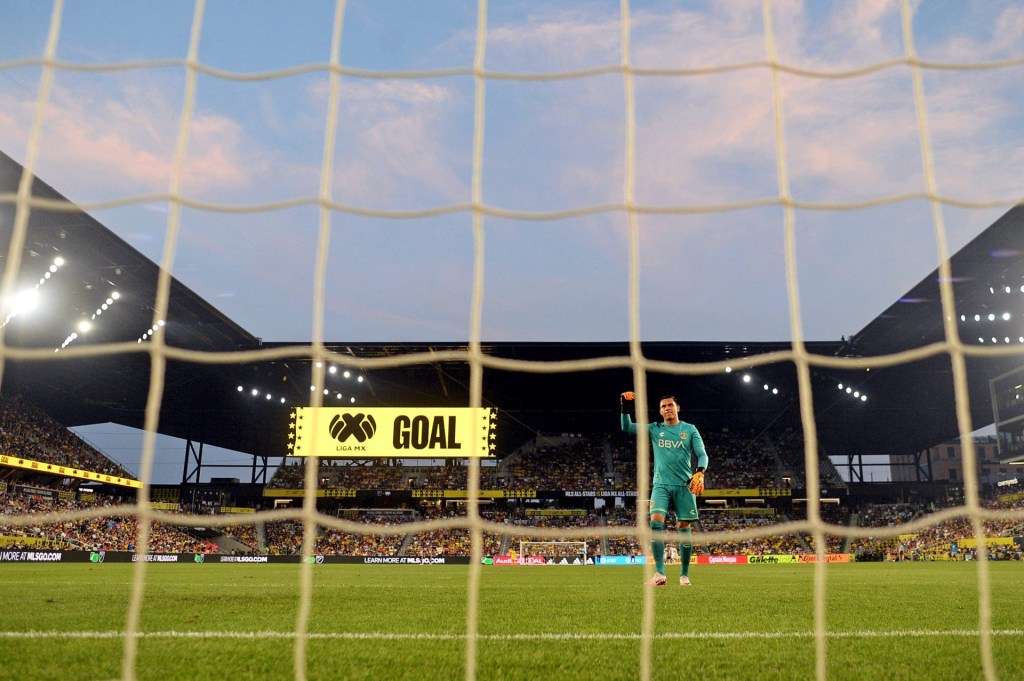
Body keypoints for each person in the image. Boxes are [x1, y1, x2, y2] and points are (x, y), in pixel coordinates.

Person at [620, 391, 708, 586]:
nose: (667, 408)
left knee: (684, 527)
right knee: (655, 522)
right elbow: (626, 427)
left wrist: (700, 472)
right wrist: (625, 408)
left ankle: (684, 575)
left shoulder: (690, 429)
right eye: (663, 406)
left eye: (670, 405)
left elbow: (702, 454)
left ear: (677, 408)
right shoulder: (654, 428)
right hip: (660, 485)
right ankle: (659, 573)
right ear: (660, 412)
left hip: (684, 486)